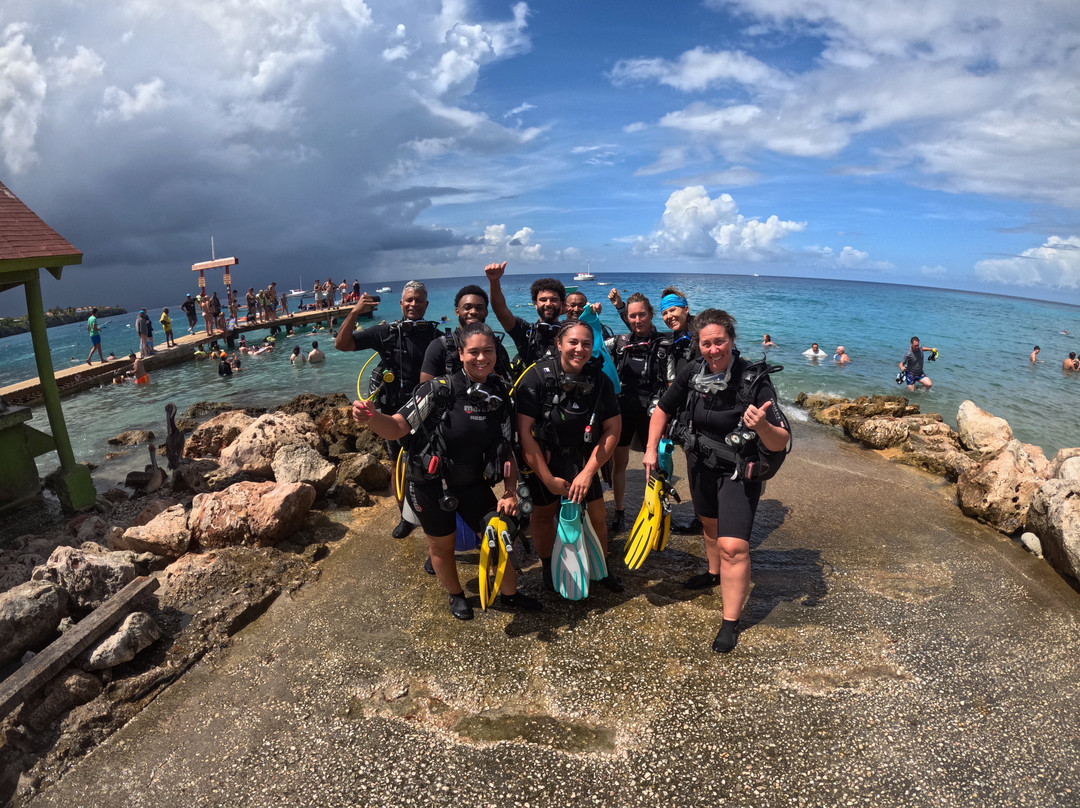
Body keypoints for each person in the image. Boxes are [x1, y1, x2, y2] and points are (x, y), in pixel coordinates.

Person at [352, 322, 540, 620]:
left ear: (495, 352)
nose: (482, 358)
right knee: (442, 544)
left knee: (500, 535)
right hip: (429, 483)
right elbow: (398, 426)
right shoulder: (437, 390)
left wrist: (511, 491)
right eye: (474, 352)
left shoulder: (501, 394)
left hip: (472, 482)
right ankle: (456, 595)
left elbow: (507, 449)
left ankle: (511, 595)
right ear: (461, 354)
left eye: (488, 351)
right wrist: (372, 418)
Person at [643, 309, 790, 653]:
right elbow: (663, 409)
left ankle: (730, 621)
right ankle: (712, 574)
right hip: (700, 463)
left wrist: (762, 426)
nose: (713, 350)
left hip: (739, 469)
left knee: (734, 546)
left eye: (719, 341)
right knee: (710, 526)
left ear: (732, 340)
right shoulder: (692, 371)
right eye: (706, 343)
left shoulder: (754, 379)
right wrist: (650, 450)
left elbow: (780, 441)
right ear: (698, 345)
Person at [516, 320, 624, 594]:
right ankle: (548, 565)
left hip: (584, 458)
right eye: (573, 342)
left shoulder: (599, 381)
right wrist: (548, 478)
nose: (580, 349)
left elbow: (613, 429)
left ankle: (601, 567)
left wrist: (589, 472)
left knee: (598, 515)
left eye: (586, 344)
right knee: (543, 515)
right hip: (545, 459)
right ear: (559, 344)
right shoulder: (536, 378)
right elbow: (524, 434)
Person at [335, 280, 442, 539]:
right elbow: (342, 344)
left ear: (426, 304)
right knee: (397, 464)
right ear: (402, 303)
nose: (413, 304)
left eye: (418, 300)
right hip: (394, 412)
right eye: (409, 300)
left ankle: (436, 519)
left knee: (434, 465)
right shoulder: (387, 333)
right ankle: (404, 515)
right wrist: (354, 312)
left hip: (429, 412)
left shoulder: (438, 337)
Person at [605, 292, 673, 532]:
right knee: (619, 463)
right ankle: (620, 511)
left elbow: (672, 384)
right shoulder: (620, 343)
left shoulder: (666, 344)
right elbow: (592, 346)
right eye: (632, 316)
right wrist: (589, 317)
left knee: (653, 464)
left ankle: (652, 510)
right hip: (623, 409)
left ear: (651, 314)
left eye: (641, 314)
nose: (637, 320)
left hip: (653, 413)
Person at [420, 284, 512, 383]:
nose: (473, 312)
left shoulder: (496, 346)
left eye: (479, 308)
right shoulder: (439, 347)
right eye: (467, 307)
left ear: (486, 312)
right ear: (457, 311)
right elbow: (425, 390)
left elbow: (510, 385)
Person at [486, 262, 564, 373]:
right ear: (535, 304)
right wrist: (494, 282)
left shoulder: (568, 333)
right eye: (543, 300)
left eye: (554, 300)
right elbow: (501, 311)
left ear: (561, 304)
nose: (548, 304)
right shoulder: (525, 332)